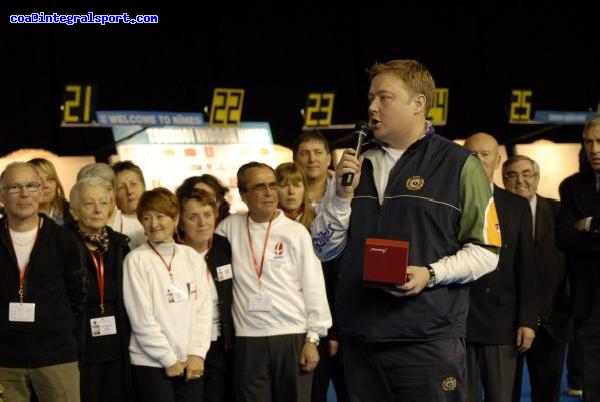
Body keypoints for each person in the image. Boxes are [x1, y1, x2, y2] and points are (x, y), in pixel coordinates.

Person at [310, 59, 502, 401]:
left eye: (384, 97)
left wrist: (430, 273)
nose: (372, 107)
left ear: (418, 103)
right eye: (370, 97)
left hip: (428, 339)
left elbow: (487, 252)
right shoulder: (355, 163)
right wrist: (340, 197)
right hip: (361, 338)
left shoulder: (460, 165)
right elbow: (323, 249)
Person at [215, 161, 332, 402]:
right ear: (243, 194)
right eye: (259, 187)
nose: (269, 193)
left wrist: (313, 338)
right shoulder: (227, 229)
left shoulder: (296, 232)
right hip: (247, 338)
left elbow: (314, 288)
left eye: (272, 185)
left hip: (292, 336)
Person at [0, 161, 87, 401]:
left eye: (31, 185)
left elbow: (78, 295)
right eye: (15, 187)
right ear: (2, 195)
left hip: (56, 358)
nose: (24, 193)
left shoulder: (64, 239)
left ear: (41, 192)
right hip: (5, 362)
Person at [462, 134, 537, 402]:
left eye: (485, 154)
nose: (478, 159)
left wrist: (527, 321)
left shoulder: (517, 206)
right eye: (471, 154)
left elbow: (526, 266)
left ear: (497, 160)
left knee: (502, 397)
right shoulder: (448, 202)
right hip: (459, 319)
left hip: (502, 321)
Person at [123, 187, 212, 402]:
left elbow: (203, 310)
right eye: (146, 218)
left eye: (160, 216)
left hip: (190, 362)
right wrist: (168, 359)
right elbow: (141, 318)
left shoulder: (191, 256)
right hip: (151, 363)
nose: (154, 224)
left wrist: (197, 353)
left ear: (175, 218)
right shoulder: (136, 260)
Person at [499, 154, 571, 402]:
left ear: (537, 178)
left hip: (552, 324)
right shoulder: (492, 214)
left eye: (526, 173)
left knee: (547, 394)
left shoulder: (560, 212)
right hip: (506, 326)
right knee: (506, 395)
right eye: (512, 174)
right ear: (503, 179)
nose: (520, 180)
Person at [292, 132, 349, 402]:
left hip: (344, 304)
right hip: (303, 313)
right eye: (304, 153)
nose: (311, 158)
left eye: (318, 152)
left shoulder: (347, 190)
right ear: (295, 159)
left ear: (329, 157)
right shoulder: (287, 200)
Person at [68, 176, 133, 402]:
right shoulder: (62, 244)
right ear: (74, 211)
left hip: (117, 348)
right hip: (78, 349)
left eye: (103, 203)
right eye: (89, 204)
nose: (98, 210)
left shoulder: (120, 245)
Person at [176, 187, 235, 402]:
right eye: (193, 217)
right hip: (185, 345)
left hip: (221, 344)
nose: (202, 223)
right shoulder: (171, 253)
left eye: (207, 215)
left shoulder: (223, 246)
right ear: (181, 222)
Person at [556, 115, 600, 400]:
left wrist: (592, 225)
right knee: (593, 382)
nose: (594, 149)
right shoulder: (571, 186)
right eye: (589, 142)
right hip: (589, 299)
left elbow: (580, 236)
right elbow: (564, 238)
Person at [77, 162, 146, 249]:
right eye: (95, 190)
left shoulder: (138, 228)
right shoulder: (72, 234)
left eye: (108, 188)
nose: (104, 195)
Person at [29, 157, 74, 225]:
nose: (45, 185)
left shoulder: (70, 213)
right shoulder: (12, 217)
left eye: (50, 179)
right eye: (38, 180)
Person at [275, 162, 315, 228]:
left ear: (305, 189)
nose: (291, 191)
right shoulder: (266, 223)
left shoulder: (317, 221)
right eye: (284, 185)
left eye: (297, 185)